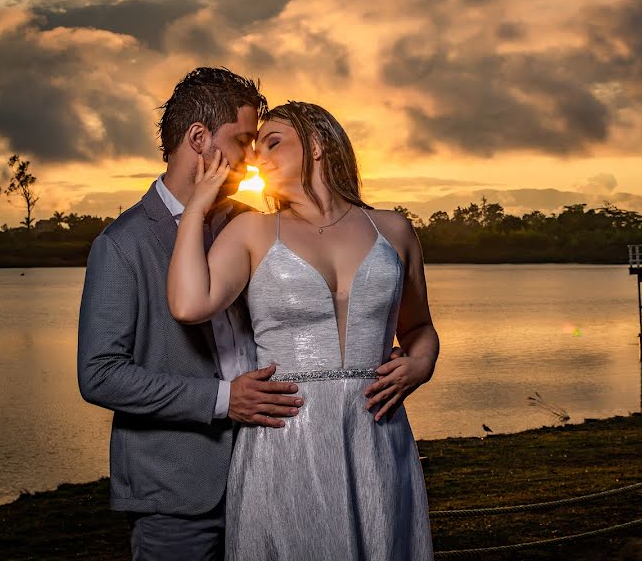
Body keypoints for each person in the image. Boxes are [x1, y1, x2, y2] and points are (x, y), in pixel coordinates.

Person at [167, 101, 439, 559]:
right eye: (254, 149)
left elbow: (421, 329)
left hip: (376, 433)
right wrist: (197, 207)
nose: (258, 158)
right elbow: (189, 304)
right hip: (285, 434)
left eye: (273, 143)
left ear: (316, 143)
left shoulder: (393, 230)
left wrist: (421, 365)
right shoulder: (251, 231)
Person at [77, 67, 307, 560]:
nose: (252, 158)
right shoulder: (122, 245)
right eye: (243, 140)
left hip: (270, 469)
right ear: (198, 138)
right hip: (176, 493)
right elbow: (100, 376)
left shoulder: (248, 227)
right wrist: (224, 399)